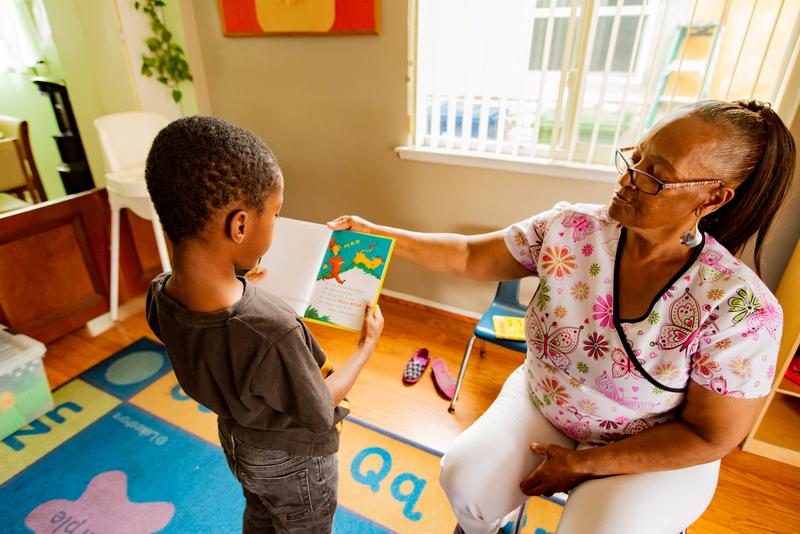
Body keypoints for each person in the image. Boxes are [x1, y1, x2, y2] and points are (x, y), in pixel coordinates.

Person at [327, 100, 795, 533]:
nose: (628, 177)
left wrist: (584, 465)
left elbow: (712, 435)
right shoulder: (572, 229)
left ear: (714, 199)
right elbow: (471, 255)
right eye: (636, 156)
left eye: (655, 174)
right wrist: (375, 234)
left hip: (652, 443)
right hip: (545, 401)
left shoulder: (740, 308)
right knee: (466, 480)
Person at [144, 116, 384, 534]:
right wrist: (366, 346)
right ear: (239, 225)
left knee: (261, 513)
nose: (276, 222)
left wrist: (238, 280)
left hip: (238, 445)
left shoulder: (159, 293)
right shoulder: (274, 332)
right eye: (276, 213)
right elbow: (320, 409)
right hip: (294, 461)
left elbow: (211, 334)